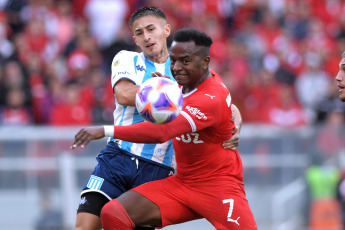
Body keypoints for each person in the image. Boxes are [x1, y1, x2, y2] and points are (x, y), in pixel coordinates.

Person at [74, 6, 242, 230]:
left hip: (159, 168)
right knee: (85, 226)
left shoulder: (186, 69)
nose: (147, 37)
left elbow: (224, 104)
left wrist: (236, 126)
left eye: (151, 29)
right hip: (118, 158)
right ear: (134, 39)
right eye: (140, 33)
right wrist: (164, 90)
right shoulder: (126, 59)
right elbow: (123, 95)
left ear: (166, 30)